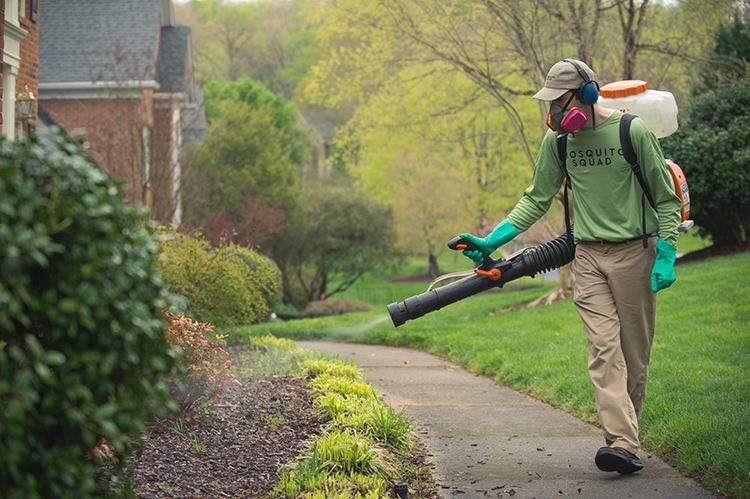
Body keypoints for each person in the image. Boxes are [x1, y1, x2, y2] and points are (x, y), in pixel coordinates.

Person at [460, 59, 681, 474]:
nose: (554, 114)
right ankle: (622, 443)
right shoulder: (558, 141)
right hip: (589, 257)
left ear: (588, 94)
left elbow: (666, 199)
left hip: (636, 252)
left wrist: (666, 251)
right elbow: (535, 198)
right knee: (603, 350)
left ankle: (626, 438)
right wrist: (490, 239)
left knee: (634, 358)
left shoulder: (631, 131)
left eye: (559, 102)